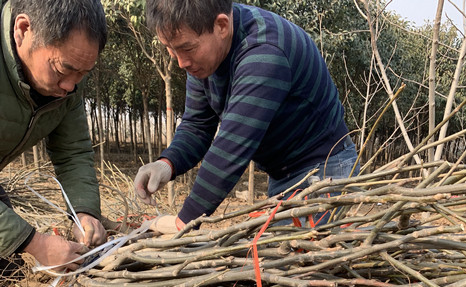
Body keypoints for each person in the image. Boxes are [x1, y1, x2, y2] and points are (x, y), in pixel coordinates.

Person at [134, 0, 359, 232]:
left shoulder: (265, 51)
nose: (181, 62)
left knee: (312, 261)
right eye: (171, 48)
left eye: (187, 48)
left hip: (323, 171)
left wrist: (182, 223)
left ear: (221, 26)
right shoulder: (205, 57)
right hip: (283, 173)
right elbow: (197, 125)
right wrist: (167, 163)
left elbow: (232, 146)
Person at [0, 0, 108, 272]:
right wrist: (37, 244)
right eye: (62, 70)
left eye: (82, 74)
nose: (70, 86)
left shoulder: (68, 84)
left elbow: (72, 151)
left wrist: (84, 211)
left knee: (7, 268)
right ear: (23, 29)